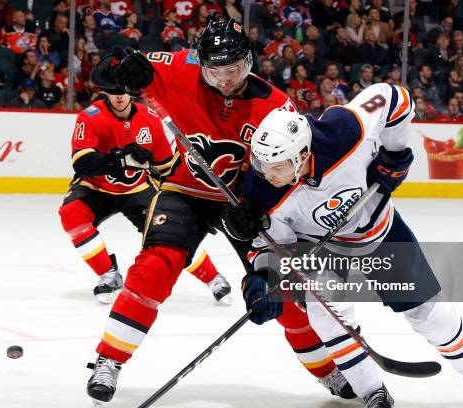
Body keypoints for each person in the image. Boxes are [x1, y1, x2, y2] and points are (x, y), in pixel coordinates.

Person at [85, 19, 354, 404]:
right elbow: (107, 72)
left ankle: (327, 369)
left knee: (282, 287)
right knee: (154, 267)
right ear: (201, 63)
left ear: (249, 62)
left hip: (243, 201)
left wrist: (258, 208)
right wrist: (117, 68)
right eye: (216, 71)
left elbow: (286, 173)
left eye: (234, 70)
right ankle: (108, 360)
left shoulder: (277, 106)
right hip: (184, 191)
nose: (226, 80)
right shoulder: (176, 69)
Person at [227, 83, 463, 407]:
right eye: (262, 164)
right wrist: (266, 281)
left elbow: (396, 97)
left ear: (303, 154)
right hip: (323, 249)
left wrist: (395, 153)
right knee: (327, 315)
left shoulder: (343, 133)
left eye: (276, 166)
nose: (267, 173)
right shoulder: (263, 187)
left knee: (429, 311)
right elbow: (277, 247)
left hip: (377, 232)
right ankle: (372, 392)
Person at [59, 48, 232, 305]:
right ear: (104, 92)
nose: (119, 98)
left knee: (172, 230)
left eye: (123, 91)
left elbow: (165, 168)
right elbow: (82, 163)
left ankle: (213, 278)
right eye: (113, 92)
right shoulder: (90, 117)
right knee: (71, 213)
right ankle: (108, 274)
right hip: (95, 188)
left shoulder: (150, 119)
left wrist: (191, 196)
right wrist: (119, 160)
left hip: (138, 189)